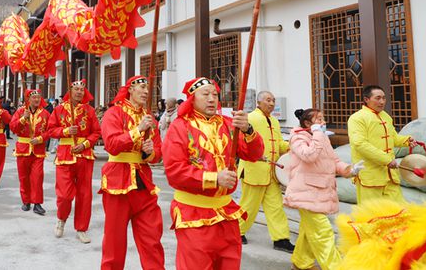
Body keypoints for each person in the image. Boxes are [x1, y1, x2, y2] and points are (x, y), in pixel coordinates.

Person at [162, 77, 264, 270]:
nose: (211, 99)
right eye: (205, 94)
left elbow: (254, 155)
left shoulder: (228, 124)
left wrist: (248, 129)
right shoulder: (180, 127)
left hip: (226, 213)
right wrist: (214, 178)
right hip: (193, 214)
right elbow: (174, 171)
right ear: (192, 98)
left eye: (215, 95)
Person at [99, 75, 165, 270]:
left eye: (148, 88)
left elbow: (158, 154)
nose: (146, 91)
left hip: (143, 182)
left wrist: (149, 151)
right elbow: (111, 145)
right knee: (114, 241)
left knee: (152, 239)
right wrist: (138, 130)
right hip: (117, 181)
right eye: (142, 87)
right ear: (130, 89)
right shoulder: (114, 113)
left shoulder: (149, 117)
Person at [285, 108, 364, 270]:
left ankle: (301, 263)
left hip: (319, 191)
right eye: (319, 119)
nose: (323, 122)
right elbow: (308, 155)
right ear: (307, 123)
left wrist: (349, 170)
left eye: (323, 119)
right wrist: (318, 134)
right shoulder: (298, 137)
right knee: (323, 232)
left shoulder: (320, 137)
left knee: (309, 232)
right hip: (305, 192)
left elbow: (333, 160)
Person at [238, 90, 294, 251]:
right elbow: (242, 143)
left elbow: (278, 145)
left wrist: (293, 145)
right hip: (253, 170)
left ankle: (281, 238)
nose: (271, 103)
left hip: (272, 172)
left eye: (273, 100)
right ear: (258, 102)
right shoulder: (250, 118)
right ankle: (237, 231)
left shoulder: (275, 122)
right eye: (268, 100)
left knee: (276, 207)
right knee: (249, 205)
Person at [47, 79, 101, 244]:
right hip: (65, 155)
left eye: (81, 90)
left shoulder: (89, 111)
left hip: (84, 155)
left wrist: (85, 144)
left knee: (84, 195)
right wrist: (65, 131)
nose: (79, 92)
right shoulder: (58, 110)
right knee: (64, 195)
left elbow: (96, 132)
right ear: (70, 90)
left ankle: (82, 228)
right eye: (76, 89)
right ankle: (61, 219)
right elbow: (50, 130)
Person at [348, 85, 417, 204]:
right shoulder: (357, 118)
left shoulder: (386, 116)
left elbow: (393, 138)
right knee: (372, 214)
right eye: (378, 98)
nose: (382, 102)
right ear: (366, 99)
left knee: (399, 211)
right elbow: (360, 144)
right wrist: (386, 160)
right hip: (370, 174)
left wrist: (406, 141)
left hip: (390, 174)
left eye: (384, 98)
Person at [9, 89, 50, 215]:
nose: (37, 100)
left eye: (38, 97)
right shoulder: (21, 111)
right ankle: (26, 201)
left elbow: (50, 130)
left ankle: (37, 203)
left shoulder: (45, 114)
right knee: (24, 177)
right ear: (28, 99)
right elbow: (12, 127)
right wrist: (22, 119)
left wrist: (41, 138)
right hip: (23, 148)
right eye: (34, 98)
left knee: (37, 177)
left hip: (38, 149)